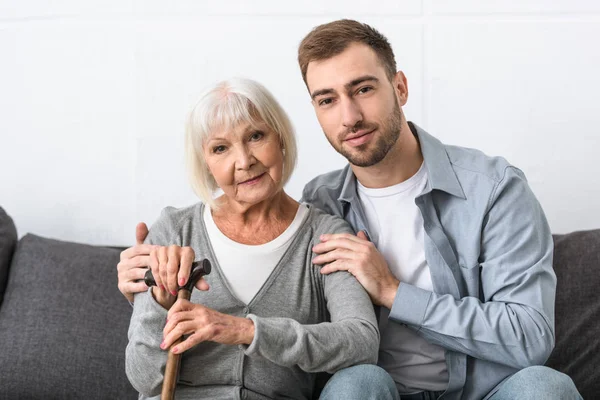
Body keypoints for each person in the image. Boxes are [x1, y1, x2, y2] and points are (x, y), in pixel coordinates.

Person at [119, 20, 582, 400]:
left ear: (399, 87)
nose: (349, 117)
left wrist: (394, 291)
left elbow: (530, 337)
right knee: (360, 383)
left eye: (363, 89)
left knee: (547, 388)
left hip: (486, 391)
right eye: (327, 100)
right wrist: (141, 288)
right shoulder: (321, 202)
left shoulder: (493, 190)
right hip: (372, 390)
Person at [124, 77, 380, 400]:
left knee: (368, 381)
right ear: (208, 164)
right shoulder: (174, 230)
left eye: (256, 136)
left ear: (281, 138)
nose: (244, 161)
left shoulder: (325, 236)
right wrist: (162, 309)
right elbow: (142, 378)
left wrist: (246, 331)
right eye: (221, 148)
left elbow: (362, 342)